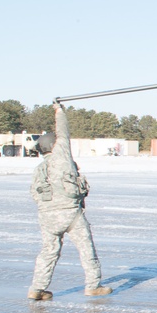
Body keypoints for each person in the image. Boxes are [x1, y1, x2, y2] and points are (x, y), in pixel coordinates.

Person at [28, 102, 110, 300]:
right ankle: (93, 285)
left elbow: (34, 194)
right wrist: (60, 112)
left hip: (47, 217)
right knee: (86, 248)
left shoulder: (38, 169)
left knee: (48, 252)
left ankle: (37, 289)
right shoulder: (62, 157)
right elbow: (63, 132)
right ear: (54, 146)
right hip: (69, 213)